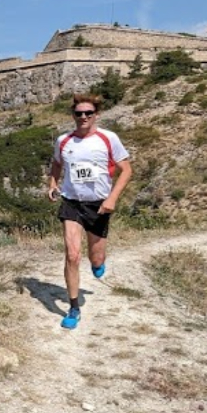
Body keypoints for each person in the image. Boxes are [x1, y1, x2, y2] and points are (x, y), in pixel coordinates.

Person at [46, 93, 133, 329]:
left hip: (99, 205)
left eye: (88, 113)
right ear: (73, 115)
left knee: (96, 257)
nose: (83, 117)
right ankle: (74, 307)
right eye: (78, 113)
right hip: (71, 202)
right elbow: (56, 164)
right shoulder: (64, 141)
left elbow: (126, 170)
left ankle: (97, 264)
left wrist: (112, 198)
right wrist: (52, 184)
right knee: (72, 254)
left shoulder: (108, 138)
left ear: (96, 115)